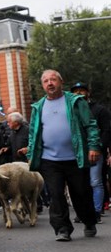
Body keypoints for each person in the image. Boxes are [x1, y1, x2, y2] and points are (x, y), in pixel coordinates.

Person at [27, 70, 101, 241]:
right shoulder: (38, 107)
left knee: (81, 193)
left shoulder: (75, 101)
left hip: (76, 157)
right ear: (43, 85)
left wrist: (94, 147)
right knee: (56, 194)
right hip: (49, 160)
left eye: (53, 79)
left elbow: (90, 125)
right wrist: (31, 153)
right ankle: (62, 229)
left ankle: (89, 221)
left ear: (61, 81)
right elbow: (33, 133)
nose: (49, 83)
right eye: (46, 81)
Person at [69, 82, 111, 222]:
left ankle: (97, 211)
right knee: (79, 183)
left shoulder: (100, 110)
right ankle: (82, 212)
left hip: (94, 152)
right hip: (75, 152)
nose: (79, 93)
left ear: (88, 93)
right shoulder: (70, 111)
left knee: (95, 182)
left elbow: (107, 130)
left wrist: (99, 148)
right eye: (76, 91)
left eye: (82, 90)